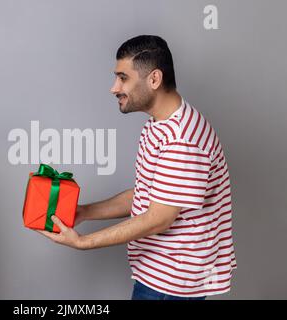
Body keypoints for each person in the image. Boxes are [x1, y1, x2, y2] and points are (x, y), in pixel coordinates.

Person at [39, 35, 237, 300]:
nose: (114, 87)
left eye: (123, 77)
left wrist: (83, 242)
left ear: (154, 79)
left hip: (170, 284)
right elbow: (147, 194)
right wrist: (84, 212)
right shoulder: (160, 125)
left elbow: (159, 218)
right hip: (156, 274)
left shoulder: (182, 138)